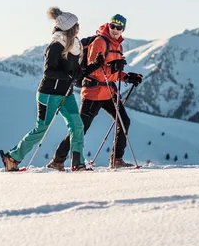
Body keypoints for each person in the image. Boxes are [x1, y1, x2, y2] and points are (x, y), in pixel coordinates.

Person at [0, 8, 104, 172]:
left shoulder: (75, 46)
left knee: (78, 126)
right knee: (41, 129)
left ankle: (78, 163)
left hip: (66, 94)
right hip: (49, 94)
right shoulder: (55, 46)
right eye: (76, 25)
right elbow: (49, 72)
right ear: (70, 28)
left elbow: (76, 74)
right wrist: (69, 75)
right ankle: (12, 157)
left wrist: (95, 66)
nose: (79, 27)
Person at [47, 14, 143, 170]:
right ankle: (58, 159)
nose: (115, 30)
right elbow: (94, 71)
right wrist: (114, 68)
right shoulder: (100, 42)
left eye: (119, 27)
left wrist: (128, 77)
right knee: (81, 128)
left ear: (122, 30)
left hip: (109, 91)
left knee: (124, 121)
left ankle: (117, 159)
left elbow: (112, 73)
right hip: (94, 92)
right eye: (112, 26)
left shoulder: (118, 45)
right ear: (108, 25)